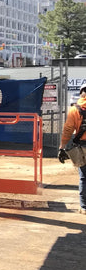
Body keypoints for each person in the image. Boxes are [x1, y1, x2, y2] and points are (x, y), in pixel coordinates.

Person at [59, 84, 86, 213]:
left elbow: (68, 130)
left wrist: (62, 147)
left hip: (82, 147)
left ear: (81, 94)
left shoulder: (74, 110)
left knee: (83, 177)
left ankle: (84, 207)